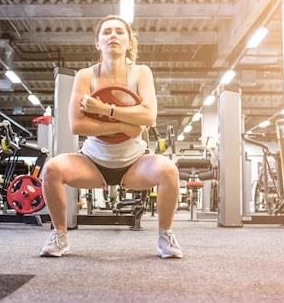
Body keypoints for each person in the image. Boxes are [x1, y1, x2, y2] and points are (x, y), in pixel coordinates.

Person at [39, 15, 182, 259]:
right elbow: (77, 125)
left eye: (119, 32)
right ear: (98, 43)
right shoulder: (86, 76)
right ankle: (60, 236)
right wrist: (128, 127)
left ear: (129, 42)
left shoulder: (140, 73)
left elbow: (148, 116)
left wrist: (105, 110)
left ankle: (165, 236)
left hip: (134, 163)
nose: (113, 36)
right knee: (52, 168)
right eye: (106, 32)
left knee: (169, 170)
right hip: (93, 162)